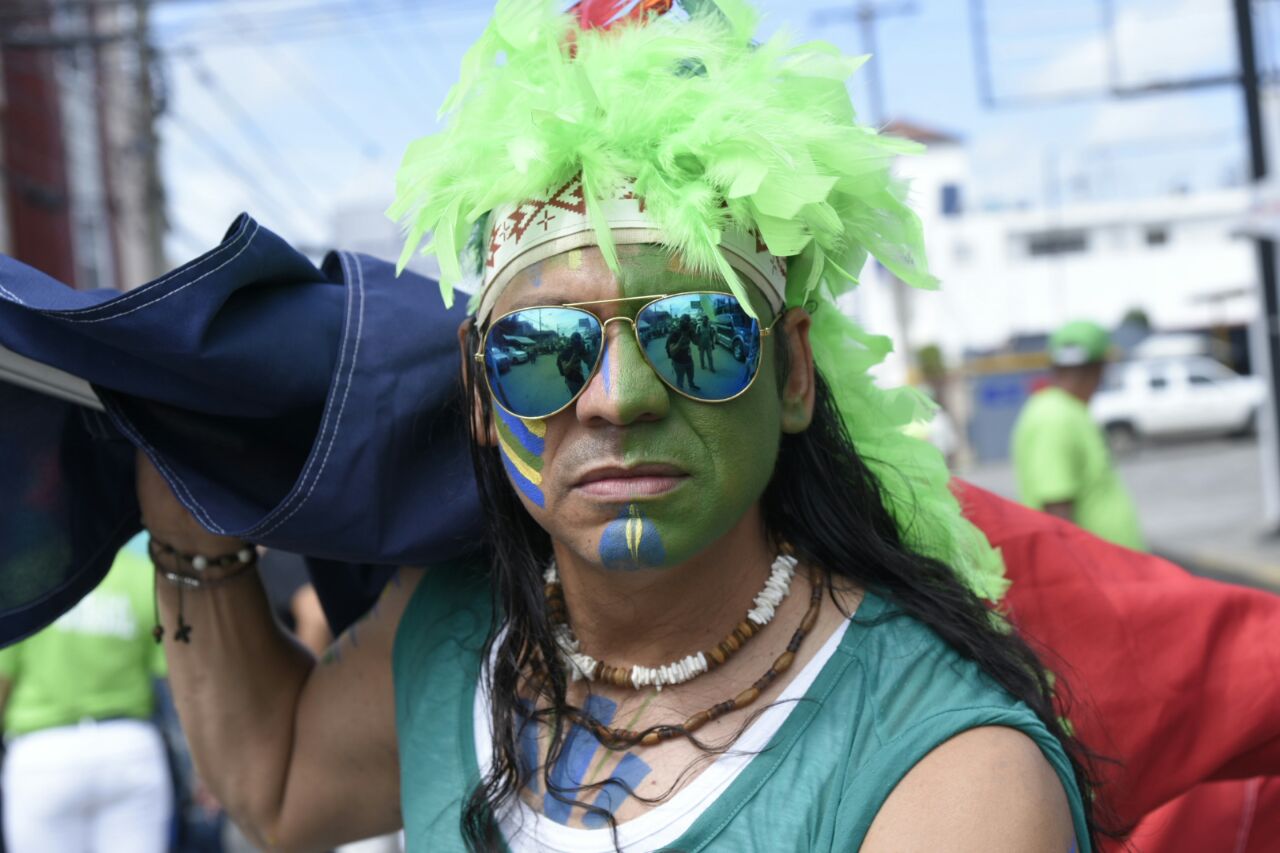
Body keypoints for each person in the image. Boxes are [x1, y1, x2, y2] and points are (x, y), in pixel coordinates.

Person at [135, 3, 1100, 851]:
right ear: (481, 393)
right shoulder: (455, 632)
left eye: (696, 334)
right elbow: (277, 791)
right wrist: (184, 503)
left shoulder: (949, 765)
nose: (617, 396)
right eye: (544, 350)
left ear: (793, 371)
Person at [0, 546, 171, 853]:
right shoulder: (141, 573)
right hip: (129, 747)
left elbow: (2, 681)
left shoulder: (21, 577)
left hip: (42, 753)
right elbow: (175, 680)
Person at [1011, 320, 1145, 550]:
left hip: (1111, 571)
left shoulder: (1066, 411)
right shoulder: (1054, 416)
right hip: (1099, 575)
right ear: (1099, 368)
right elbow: (1056, 510)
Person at [665, 314, 701, 391]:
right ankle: (680, 391)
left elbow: (697, 342)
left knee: (691, 376)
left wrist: (693, 331)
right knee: (680, 379)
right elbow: (672, 351)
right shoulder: (674, 333)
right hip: (678, 362)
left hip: (689, 360)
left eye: (687, 321)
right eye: (683, 321)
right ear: (680, 322)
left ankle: (691, 385)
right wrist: (682, 338)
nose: (685, 323)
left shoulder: (690, 331)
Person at [557, 331, 590, 397]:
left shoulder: (580, 349)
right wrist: (574, 355)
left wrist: (585, 351)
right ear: (571, 341)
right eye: (575, 342)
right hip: (571, 380)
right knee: (577, 397)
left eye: (578, 342)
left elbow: (588, 361)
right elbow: (565, 370)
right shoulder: (565, 352)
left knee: (584, 394)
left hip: (579, 376)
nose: (577, 344)